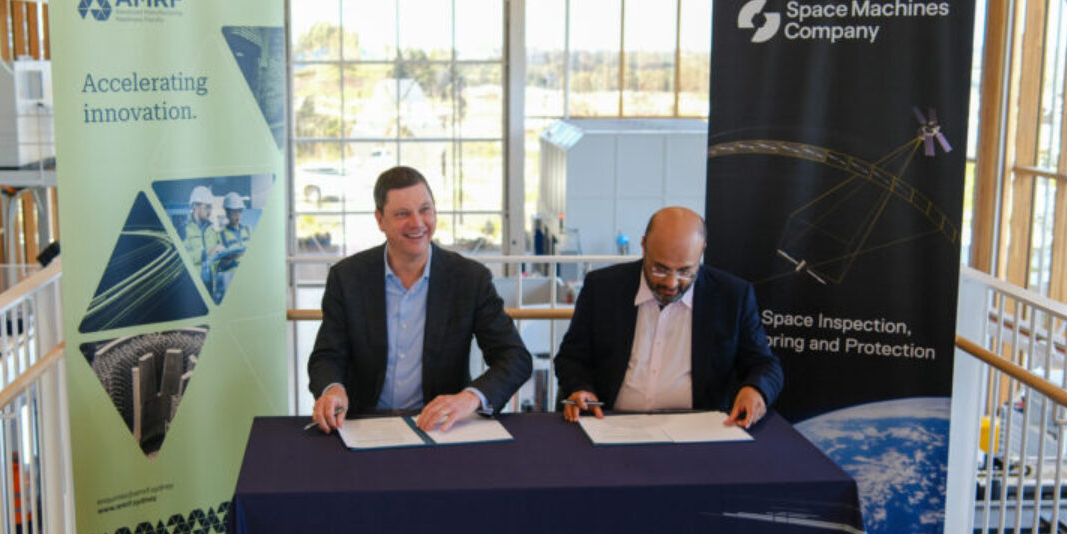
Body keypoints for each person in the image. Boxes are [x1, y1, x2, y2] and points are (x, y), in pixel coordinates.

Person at [308, 165, 532, 433]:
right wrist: (333, 389)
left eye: (425, 210)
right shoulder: (347, 278)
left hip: (440, 427)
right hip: (363, 424)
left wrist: (470, 398)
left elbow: (515, 357)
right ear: (380, 220)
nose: (417, 223)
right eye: (402, 214)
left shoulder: (469, 279)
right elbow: (327, 356)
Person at [554, 206, 782, 428]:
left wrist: (756, 390)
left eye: (685, 271)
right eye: (660, 269)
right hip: (609, 424)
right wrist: (580, 388)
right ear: (644, 246)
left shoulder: (732, 296)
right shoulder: (603, 288)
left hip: (697, 429)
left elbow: (765, 365)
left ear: (701, 250)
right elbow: (571, 357)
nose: (671, 283)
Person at [181, 185, 220, 280]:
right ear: (196, 206)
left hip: (211, 285)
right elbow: (180, 261)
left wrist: (225, 260)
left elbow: (216, 259)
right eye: (207, 207)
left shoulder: (212, 231)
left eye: (211, 207)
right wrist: (204, 254)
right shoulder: (183, 231)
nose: (210, 211)